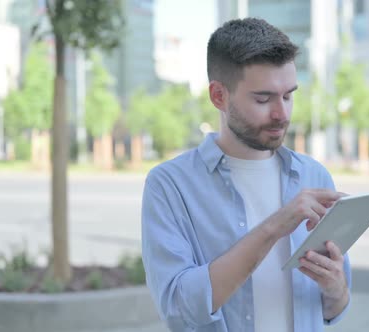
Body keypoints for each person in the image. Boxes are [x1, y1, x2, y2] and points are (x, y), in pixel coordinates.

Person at [141, 18, 351, 332]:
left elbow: (333, 308)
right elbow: (178, 308)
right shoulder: (170, 186)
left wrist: (337, 290)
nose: (282, 113)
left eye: (288, 96)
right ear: (218, 97)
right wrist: (275, 226)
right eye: (263, 99)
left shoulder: (313, 176)